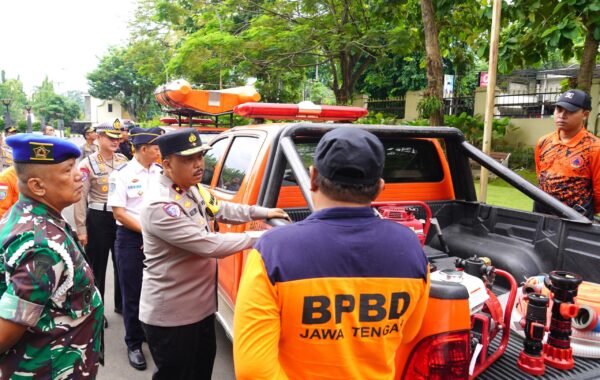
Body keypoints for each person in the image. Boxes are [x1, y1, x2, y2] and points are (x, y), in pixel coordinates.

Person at [234, 127, 431, 379]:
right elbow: (409, 332)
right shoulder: (410, 247)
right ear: (380, 187)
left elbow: (253, 371)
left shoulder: (273, 251)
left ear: (313, 177)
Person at [139, 128, 288, 379]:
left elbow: (220, 210)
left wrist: (260, 212)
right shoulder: (161, 205)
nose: (198, 165)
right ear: (166, 164)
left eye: (200, 156)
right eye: (188, 159)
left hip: (201, 309)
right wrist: (264, 237)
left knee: (201, 372)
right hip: (173, 317)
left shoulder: (189, 188)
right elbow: (209, 244)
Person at [0, 134, 103, 378]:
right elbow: (5, 331)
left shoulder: (31, 213)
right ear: (37, 186)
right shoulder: (43, 248)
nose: (79, 175)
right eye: (68, 170)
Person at [107, 126, 164, 370]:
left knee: (158, 292)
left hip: (160, 240)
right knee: (134, 293)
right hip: (131, 239)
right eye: (156, 147)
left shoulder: (161, 172)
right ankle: (133, 343)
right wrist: (148, 232)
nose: (160, 151)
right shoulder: (121, 174)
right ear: (143, 149)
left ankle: (154, 336)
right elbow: (118, 212)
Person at [74, 119, 128, 319]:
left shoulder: (123, 161)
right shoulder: (87, 164)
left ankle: (121, 304)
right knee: (97, 265)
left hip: (121, 217)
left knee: (122, 262)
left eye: (118, 137)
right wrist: (81, 228)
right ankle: (97, 309)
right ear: (98, 137)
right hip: (98, 217)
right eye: (111, 137)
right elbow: (80, 197)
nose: (116, 141)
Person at [534, 89, 600, 219]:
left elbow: (599, 191)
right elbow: (540, 175)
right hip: (541, 212)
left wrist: (587, 212)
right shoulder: (543, 142)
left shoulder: (594, 147)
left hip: (576, 215)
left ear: (585, 114)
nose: (562, 115)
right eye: (559, 109)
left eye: (570, 111)